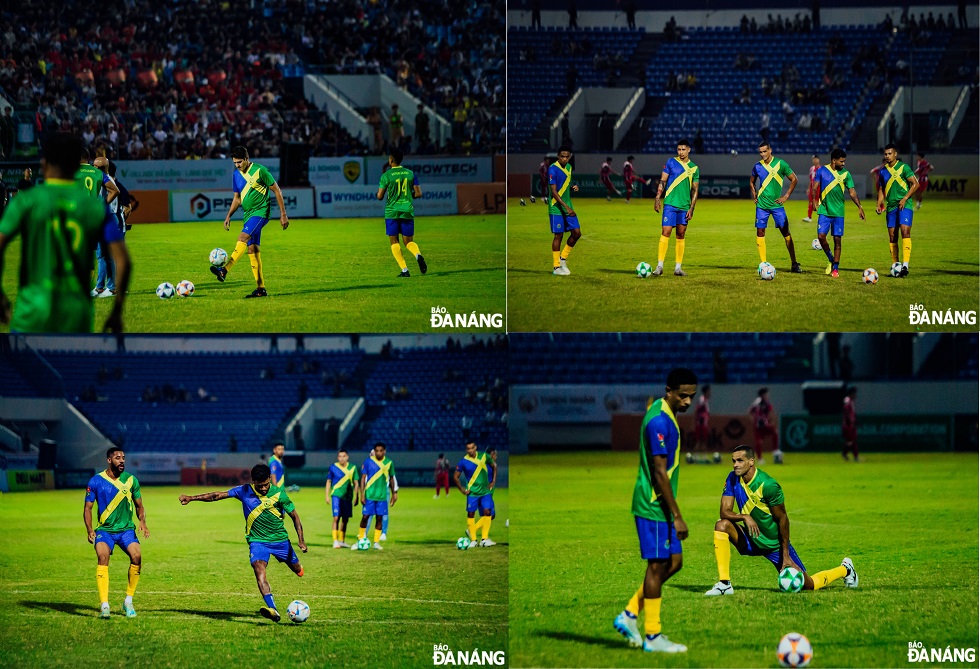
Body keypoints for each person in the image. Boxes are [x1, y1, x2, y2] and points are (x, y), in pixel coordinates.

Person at [0, 133, 130, 333]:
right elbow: (123, 260)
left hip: (31, 313)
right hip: (76, 316)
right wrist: (116, 312)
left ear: (44, 165)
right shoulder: (95, 208)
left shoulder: (25, 202)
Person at [613, 368, 697, 654]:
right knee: (657, 565)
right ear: (668, 391)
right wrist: (677, 515)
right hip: (653, 504)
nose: (687, 402)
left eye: (692, 396)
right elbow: (660, 472)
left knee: (674, 563)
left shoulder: (666, 413)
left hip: (659, 503)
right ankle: (653, 636)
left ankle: (628, 614)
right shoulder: (659, 421)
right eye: (683, 396)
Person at [704, 445, 858, 596]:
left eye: (740, 460)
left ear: (751, 461)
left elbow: (783, 519)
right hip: (751, 539)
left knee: (808, 585)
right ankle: (725, 584)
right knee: (721, 525)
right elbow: (724, 512)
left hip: (774, 545)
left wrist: (785, 555)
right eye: (733, 461)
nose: (735, 465)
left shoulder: (768, 485)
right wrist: (744, 516)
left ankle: (845, 569)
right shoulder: (732, 478)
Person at [179, 463, 307, 623]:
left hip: (281, 541)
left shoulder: (279, 494)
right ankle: (273, 609)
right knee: (259, 569)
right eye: (260, 486)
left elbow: (295, 516)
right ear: (253, 481)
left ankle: (298, 568)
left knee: (298, 570)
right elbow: (217, 495)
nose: (263, 489)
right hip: (258, 542)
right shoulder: (244, 490)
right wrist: (191, 498)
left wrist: (301, 540)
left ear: (269, 479)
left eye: (266, 484)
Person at [210, 146, 289, 298]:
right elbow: (237, 199)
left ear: (247, 159)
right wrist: (228, 216)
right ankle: (261, 289)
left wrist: (283, 214)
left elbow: (277, 190)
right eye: (234, 163)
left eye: (239, 162)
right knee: (252, 250)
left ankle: (224, 270)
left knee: (242, 238)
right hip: (248, 215)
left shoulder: (260, 171)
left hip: (261, 213)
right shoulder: (236, 175)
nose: (237, 165)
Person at [83, 447, 149, 619]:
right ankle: (104, 605)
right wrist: (90, 529)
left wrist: (142, 522)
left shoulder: (131, 480)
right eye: (118, 458)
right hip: (105, 530)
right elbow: (88, 508)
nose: (122, 461)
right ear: (109, 460)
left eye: (124, 458)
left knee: (137, 556)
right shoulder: (96, 481)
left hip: (126, 529)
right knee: (103, 557)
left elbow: (139, 505)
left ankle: (128, 601)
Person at [812, 148, 865, 278]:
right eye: (841, 161)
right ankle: (831, 258)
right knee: (821, 236)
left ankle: (835, 268)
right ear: (834, 160)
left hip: (838, 212)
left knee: (837, 240)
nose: (844, 164)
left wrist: (859, 206)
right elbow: (814, 188)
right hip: (824, 210)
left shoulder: (846, 174)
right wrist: (814, 202)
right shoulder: (822, 171)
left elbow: (852, 192)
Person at [749, 142, 802, 273]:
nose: (762, 154)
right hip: (761, 205)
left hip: (777, 206)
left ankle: (794, 263)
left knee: (786, 232)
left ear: (770, 150)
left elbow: (794, 179)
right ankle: (763, 264)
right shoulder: (757, 166)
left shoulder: (781, 164)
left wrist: (786, 196)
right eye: (760, 152)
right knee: (760, 232)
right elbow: (751, 181)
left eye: (764, 151)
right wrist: (754, 194)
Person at [377, 148, 426, 277]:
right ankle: (418, 255)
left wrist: (380, 193)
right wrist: (408, 196)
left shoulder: (386, 175)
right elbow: (419, 193)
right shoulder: (410, 173)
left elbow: (380, 196)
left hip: (392, 212)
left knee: (394, 242)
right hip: (407, 210)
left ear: (391, 160)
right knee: (408, 241)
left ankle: (405, 270)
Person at [653, 139, 699, 277]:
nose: (681, 152)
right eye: (679, 149)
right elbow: (663, 180)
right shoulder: (671, 162)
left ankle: (678, 268)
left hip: (684, 206)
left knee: (681, 235)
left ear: (689, 150)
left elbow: (695, 190)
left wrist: (692, 208)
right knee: (665, 231)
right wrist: (657, 197)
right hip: (670, 204)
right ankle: (660, 266)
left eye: (683, 149)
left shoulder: (694, 168)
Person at [874, 144, 918, 277]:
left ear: (895, 154)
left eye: (889, 153)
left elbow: (915, 184)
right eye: (885, 154)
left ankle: (905, 266)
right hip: (891, 207)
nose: (887, 156)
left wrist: (905, 198)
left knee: (905, 231)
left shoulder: (904, 167)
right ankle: (896, 265)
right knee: (893, 236)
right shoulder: (882, 171)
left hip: (905, 205)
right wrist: (879, 203)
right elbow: (881, 189)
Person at [353, 442, 397, 550]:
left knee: (379, 518)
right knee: (365, 517)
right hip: (369, 495)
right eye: (376, 451)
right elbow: (363, 478)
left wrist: (394, 493)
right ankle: (361, 539)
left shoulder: (389, 463)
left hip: (382, 496)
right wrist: (362, 494)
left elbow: (391, 478)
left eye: (381, 451)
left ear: (384, 451)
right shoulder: (368, 462)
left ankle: (376, 542)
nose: (378, 453)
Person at [454, 441, 497, 547]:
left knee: (488, 512)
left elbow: (494, 466)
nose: (470, 450)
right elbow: (455, 477)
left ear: (475, 447)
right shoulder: (463, 462)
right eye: (468, 448)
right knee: (471, 514)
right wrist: (462, 490)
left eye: (472, 448)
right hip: (472, 493)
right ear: (466, 450)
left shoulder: (484, 456)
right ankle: (473, 540)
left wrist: (493, 481)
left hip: (485, 491)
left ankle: (484, 539)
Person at [91, 156, 124, 298]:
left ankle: (106, 287)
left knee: (103, 255)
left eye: (94, 166)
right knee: (105, 255)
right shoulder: (111, 179)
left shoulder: (102, 180)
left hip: (106, 218)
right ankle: (105, 287)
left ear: (98, 168)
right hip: (110, 218)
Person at [548, 145, 581, 276]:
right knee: (559, 235)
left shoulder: (569, 168)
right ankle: (556, 267)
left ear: (570, 157)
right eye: (562, 156)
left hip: (568, 204)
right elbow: (554, 192)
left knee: (577, 233)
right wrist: (566, 207)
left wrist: (573, 186)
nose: (564, 159)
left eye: (567, 157)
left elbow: (567, 181)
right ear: (558, 156)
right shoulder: (552, 169)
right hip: (556, 207)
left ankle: (562, 259)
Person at [325, 448, 359, 548]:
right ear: (337, 457)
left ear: (347, 457)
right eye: (340, 456)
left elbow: (356, 483)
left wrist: (357, 496)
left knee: (345, 519)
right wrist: (327, 495)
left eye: (344, 456)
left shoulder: (353, 468)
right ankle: (335, 540)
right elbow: (328, 482)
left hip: (347, 497)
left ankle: (342, 540)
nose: (342, 458)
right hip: (336, 496)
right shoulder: (333, 467)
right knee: (336, 517)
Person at [748, 388, 778, 463]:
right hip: (759, 425)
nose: (767, 395)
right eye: (766, 394)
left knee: (775, 432)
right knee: (759, 442)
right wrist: (754, 421)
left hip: (765, 424)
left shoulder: (765, 403)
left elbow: (770, 411)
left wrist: (771, 421)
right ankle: (760, 458)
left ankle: (775, 450)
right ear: (762, 395)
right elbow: (750, 411)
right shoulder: (758, 403)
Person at [842, 387, 859, 461]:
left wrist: (855, 420)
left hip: (850, 424)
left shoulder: (851, 401)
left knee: (852, 441)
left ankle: (847, 454)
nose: (856, 395)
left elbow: (851, 413)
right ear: (851, 393)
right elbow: (846, 409)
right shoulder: (847, 400)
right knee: (852, 441)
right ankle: (853, 456)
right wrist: (850, 420)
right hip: (848, 425)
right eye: (854, 393)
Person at [693, 384, 711, 452]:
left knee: (703, 441)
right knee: (700, 441)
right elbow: (697, 410)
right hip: (701, 424)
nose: (710, 393)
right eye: (709, 391)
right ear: (706, 391)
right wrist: (698, 422)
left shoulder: (705, 401)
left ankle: (702, 457)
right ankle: (696, 457)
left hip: (703, 424)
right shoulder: (702, 400)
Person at [803, 155, 820, 222]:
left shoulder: (821, 169)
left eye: (816, 159)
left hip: (819, 188)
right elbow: (811, 180)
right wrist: (808, 188)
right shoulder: (812, 169)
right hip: (812, 188)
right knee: (811, 202)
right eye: (813, 159)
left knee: (819, 203)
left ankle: (822, 216)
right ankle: (809, 217)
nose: (815, 160)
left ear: (818, 160)